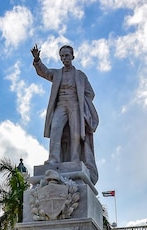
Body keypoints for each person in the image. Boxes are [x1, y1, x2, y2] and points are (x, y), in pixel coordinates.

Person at [31, 44, 99, 184]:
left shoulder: (80, 75)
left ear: (72, 56)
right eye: (62, 56)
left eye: (67, 55)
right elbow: (44, 72)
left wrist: (83, 103)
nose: (64, 58)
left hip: (75, 105)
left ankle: (75, 159)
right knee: (55, 130)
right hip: (61, 105)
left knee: (75, 134)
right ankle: (53, 159)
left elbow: (90, 93)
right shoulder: (57, 73)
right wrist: (37, 60)